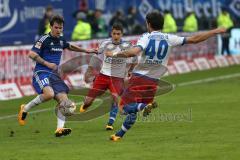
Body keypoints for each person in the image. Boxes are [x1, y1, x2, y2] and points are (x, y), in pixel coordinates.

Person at [105, 11, 226, 141]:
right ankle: (119, 135)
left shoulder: (146, 37)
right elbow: (194, 39)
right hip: (153, 82)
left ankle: (144, 107)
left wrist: (114, 54)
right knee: (135, 109)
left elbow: (133, 52)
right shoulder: (169, 38)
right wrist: (214, 31)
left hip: (139, 78)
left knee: (123, 107)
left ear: (148, 24)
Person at [18, 15, 97, 137]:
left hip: (54, 75)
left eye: (61, 28)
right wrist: (46, 63)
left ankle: (59, 129)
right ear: (50, 27)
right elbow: (31, 54)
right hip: (42, 72)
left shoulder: (61, 39)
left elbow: (69, 46)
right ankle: (25, 108)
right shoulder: (43, 39)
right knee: (49, 94)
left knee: (64, 101)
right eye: (56, 27)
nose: (58, 30)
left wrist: (87, 51)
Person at [80, 23, 137, 130]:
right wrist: (90, 69)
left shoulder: (128, 45)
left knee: (115, 98)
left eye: (118, 34)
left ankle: (110, 123)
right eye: (114, 33)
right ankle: (85, 104)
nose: (116, 36)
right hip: (103, 76)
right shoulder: (105, 43)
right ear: (111, 33)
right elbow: (97, 53)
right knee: (88, 102)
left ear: (122, 34)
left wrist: (130, 70)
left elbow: (135, 58)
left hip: (117, 78)